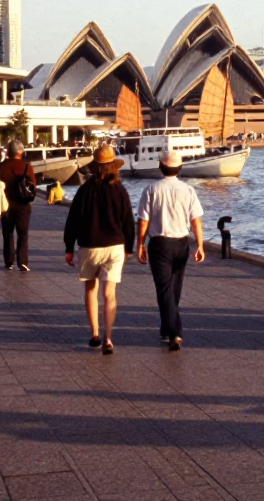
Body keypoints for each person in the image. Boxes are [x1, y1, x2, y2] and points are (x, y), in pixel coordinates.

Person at [64, 145, 135, 355]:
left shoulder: (84, 190)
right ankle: (109, 338)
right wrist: (129, 247)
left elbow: (73, 220)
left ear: (94, 167)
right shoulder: (119, 190)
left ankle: (95, 333)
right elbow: (128, 221)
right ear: (114, 167)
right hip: (115, 246)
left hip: (89, 245)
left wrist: (69, 247)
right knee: (109, 293)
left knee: (90, 289)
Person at [136, 150, 205, 350]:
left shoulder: (151, 189)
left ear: (161, 166)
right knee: (174, 288)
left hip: (159, 243)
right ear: (180, 168)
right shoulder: (188, 190)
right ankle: (166, 328)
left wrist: (139, 243)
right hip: (181, 243)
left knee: (164, 288)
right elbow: (196, 220)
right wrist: (199, 244)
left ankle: (174, 332)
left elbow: (143, 221)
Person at [0, 140, 36, 271]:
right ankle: (23, 262)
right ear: (21, 152)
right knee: (23, 234)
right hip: (23, 205)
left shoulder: (0, 167)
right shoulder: (26, 167)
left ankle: (9, 261)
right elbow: (32, 185)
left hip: (5, 205)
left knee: (7, 234)